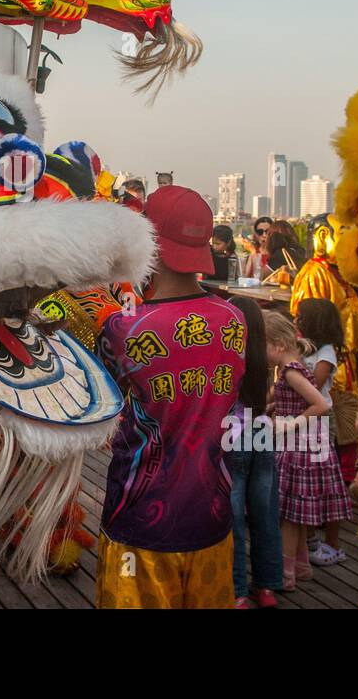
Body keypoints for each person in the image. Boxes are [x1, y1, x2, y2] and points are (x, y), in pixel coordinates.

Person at [94, 185, 246, 608]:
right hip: (211, 519)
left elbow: (99, 407)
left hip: (139, 522)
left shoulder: (123, 329)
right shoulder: (235, 320)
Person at [263, 310, 352, 590]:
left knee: (289, 518)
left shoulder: (290, 371)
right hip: (303, 446)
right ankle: (301, 567)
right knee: (297, 514)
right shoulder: (294, 366)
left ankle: (284, 574)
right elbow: (298, 401)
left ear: (277, 344)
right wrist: (273, 407)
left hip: (299, 448)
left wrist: (288, 425)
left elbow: (320, 404)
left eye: (262, 346)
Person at [223, 295, 282, 608]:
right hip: (262, 436)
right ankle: (268, 587)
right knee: (265, 512)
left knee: (233, 515)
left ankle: (238, 591)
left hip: (234, 437)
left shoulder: (228, 354)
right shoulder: (263, 357)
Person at [296, 297, 350, 566]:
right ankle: (310, 540)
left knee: (325, 482)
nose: (296, 322)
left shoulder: (326, 352)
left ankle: (334, 543)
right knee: (305, 480)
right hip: (302, 419)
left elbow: (313, 383)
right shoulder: (306, 349)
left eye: (301, 318)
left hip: (319, 423)